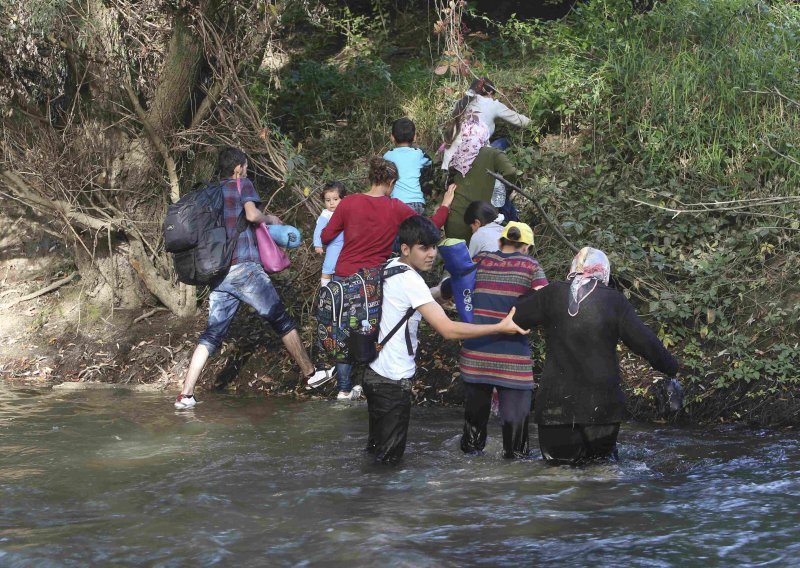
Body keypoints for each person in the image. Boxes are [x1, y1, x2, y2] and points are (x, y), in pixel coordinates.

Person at [174, 147, 332, 410]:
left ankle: (186, 394)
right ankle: (311, 374)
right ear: (238, 168)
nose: (246, 170)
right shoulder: (242, 184)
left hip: (219, 273)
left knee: (212, 334)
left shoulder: (211, 194)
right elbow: (251, 215)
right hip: (245, 269)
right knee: (281, 319)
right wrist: (270, 218)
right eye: (245, 166)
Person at [364, 215, 530, 464]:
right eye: (424, 248)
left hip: (374, 373)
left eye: (433, 247)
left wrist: (441, 296)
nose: (431, 254)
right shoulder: (411, 280)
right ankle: (383, 502)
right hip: (393, 380)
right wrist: (499, 327)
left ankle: (366, 495)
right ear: (406, 249)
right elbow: (448, 330)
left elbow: (416, 299)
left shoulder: (391, 267)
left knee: (376, 452)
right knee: (388, 461)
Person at [512, 247, 680, 464]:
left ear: (572, 269)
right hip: (602, 407)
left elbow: (515, 316)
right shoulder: (615, 301)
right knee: (601, 471)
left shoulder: (550, 294)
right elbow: (645, 342)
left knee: (558, 476)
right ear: (605, 273)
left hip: (555, 407)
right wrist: (671, 368)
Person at [317, 157, 455, 400]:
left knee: (345, 330)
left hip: (344, 275)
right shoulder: (395, 207)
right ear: (391, 182)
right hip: (373, 281)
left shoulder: (348, 203)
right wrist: (445, 204)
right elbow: (429, 226)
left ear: (370, 178)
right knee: (369, 329)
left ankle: (344, 389)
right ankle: (363, 382)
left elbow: (327, 235)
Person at [459, 222, 548, 458]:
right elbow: (545, 301)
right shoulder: (530, 266)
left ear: (501, 242)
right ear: (526, 247)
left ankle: (472, 456)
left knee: (473, 435)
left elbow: (456, 288)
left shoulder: (479, 260)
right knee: (516, 445)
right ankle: (513, 475)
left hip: (475, 357)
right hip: (512, 360)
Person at [441, 77, 530, 171]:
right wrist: (538, 123)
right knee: (505, 141)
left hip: (448, 167)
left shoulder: (461, 104)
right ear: (490, 92)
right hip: (472, 167)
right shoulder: (492, 104)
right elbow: (522, 121)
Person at [444, 145, 519, 242]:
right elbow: (510, 172)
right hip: (483, 223)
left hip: (455, 226)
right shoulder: (493, 153)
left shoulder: (458, 153)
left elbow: (447, 182)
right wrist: (503, 191)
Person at [383, 118, 433, 215]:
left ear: (392, 137)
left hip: (395, 203)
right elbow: (429, 163)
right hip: (417, 202)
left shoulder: (387, 156)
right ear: (414, 137)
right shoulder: (419, 154)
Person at [313, 181, 346, 286]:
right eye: (328, 200)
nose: (331, 203)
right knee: (328, 266)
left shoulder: (346, 211)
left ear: (343, 199)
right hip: (334, 245)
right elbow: (318, 230)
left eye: (335, 199)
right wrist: (317, 245)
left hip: (347, 245)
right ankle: (325, 288)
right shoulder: (326, 214)